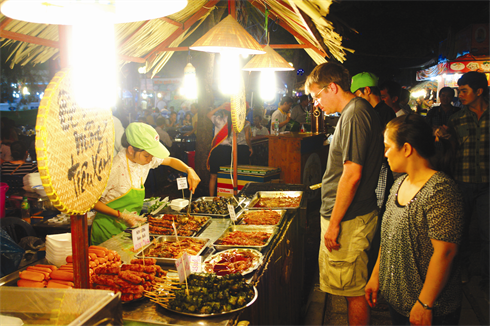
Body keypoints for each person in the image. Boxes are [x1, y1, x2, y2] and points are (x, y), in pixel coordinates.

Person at [365, 114, 464, 326]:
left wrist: (425, 303)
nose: (385, 154)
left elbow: (445, 252)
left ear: (407, 149)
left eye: (388, 147)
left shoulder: (440, 190)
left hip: (430, 309)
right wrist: (376, 276)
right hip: (399, 303)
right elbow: (388, 237)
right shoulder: (398, 184)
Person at [305, 62, 384, 326]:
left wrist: (334, 224)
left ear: (333, 87)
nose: (317, 103)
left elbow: (351, 175)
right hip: (347, 217)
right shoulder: (352, 113)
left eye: (317, 96)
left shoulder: (354, 114)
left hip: (349, 220)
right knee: (347, 288)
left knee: (353, 291)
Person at [91, 123, 200, 245]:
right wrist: (121, 216)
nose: (150, 159)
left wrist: (189, 170)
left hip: (130, 227)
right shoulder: (114, 168)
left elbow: (170, 161)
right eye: (147, 155)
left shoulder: (145, 159)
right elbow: (93, 202)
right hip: (107, 231)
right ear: (131, 149)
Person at [447, 71, 489, 302]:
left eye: (464, 91)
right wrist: (445, 138)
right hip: (461, 181)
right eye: (459, 91)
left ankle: (487, 278)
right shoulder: (456, 119)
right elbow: (451, 151)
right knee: (459, 231)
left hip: (488, 185)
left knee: (488, 234)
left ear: (479, 91)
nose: (459, 95)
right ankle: (460, 269)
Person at [206, 103, 252, 196]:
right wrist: (250, 148)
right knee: (235, 176)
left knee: (213, 176)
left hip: (219, 151)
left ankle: (211, 198)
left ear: (225, 112)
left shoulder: (219, 120)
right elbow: (247, 138)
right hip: (235, 151)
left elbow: (208, 114)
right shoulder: (243, 123)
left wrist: (219, 106)